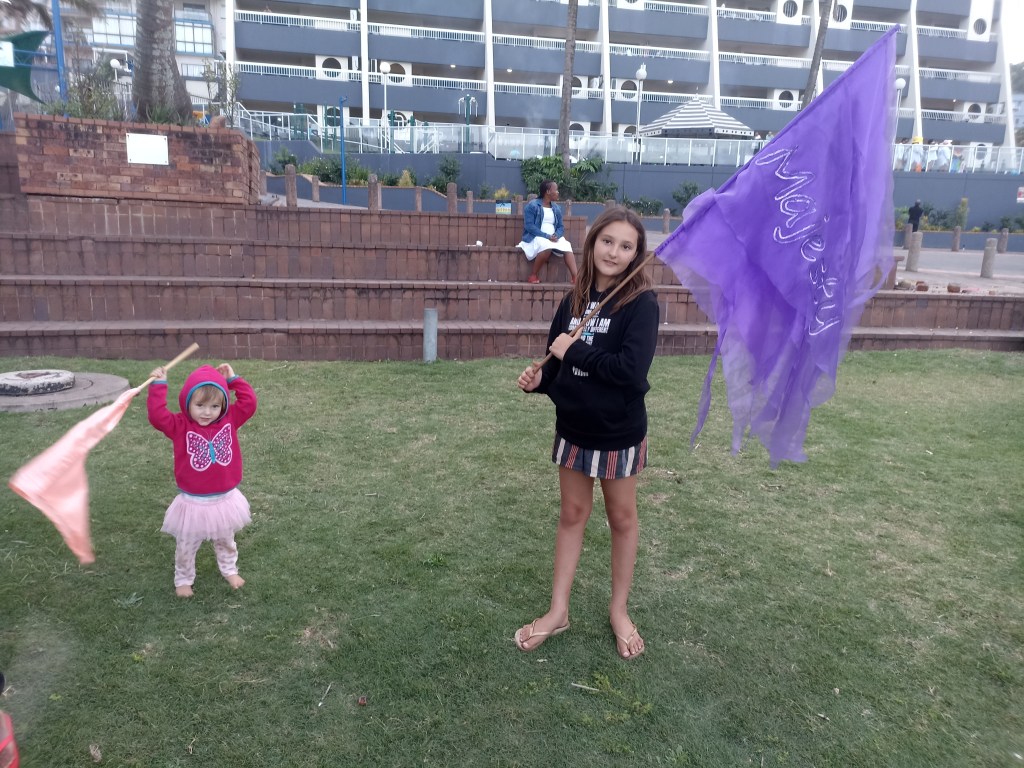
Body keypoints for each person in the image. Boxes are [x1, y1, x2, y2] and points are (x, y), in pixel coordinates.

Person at [514, 206, 658, 660]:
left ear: (636, 253)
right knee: (572, 514)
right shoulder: (574, 300)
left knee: (622, 519)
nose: (614, 252)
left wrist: (575, 352)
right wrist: (542, 381)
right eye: (607, 241)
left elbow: (630, 372)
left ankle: (619, 611)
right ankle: (558, 611)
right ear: (593, 242)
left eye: (626, 246)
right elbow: (557, 365)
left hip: (618, 432)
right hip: (574, 429)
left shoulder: (641, 303)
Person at [147, 363, 258, 597]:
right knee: (186, 546)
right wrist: (159, 385)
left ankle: (229, 570)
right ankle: (183, 579)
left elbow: (249, 403)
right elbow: (157, 417)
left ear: (223, 406)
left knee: (226, 540)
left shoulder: (229, 419)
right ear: (187, 403)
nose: (207, 412)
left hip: (225, 501)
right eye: (200, 405)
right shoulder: (180, 425)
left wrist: (234, 380)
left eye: (214, 406)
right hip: (193, 503)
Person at [516, 180, 578, 284]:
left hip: (553, 237)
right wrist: (547, 236)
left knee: (567, 245)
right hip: (537, 236)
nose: (558, 192)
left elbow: (561, 227)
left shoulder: (556, 208)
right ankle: (533, 275)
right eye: (556, 190)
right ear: (548, 191)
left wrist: (556, 235)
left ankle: (575, 277)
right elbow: (529, 226)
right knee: (546, 246)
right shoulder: (532, 206)